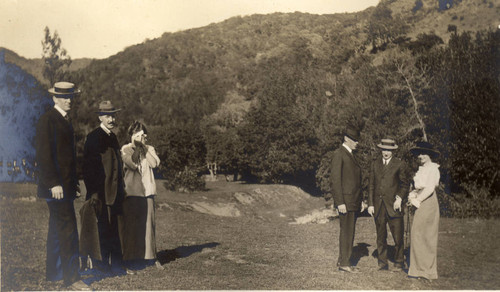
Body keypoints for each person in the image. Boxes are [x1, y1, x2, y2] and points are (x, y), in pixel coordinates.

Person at [35, 81, 89, 290]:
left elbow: (67, 158)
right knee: (67, 229)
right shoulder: (48, 120)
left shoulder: (64, 121)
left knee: (56, 229)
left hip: (64, 186)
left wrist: (72, 183)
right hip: (55, 187)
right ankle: (73, 278)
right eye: (65, 97)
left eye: (71, 97)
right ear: (54, 98)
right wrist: (54, 183)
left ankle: (54, 272)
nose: (69, 101)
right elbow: (44, 155)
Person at [82, 100, 129, 274]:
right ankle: (101, 267)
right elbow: (88, 167)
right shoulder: (94, 137)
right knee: (102, 229)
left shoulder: (113, 137)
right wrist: (94, 192)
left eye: (113, 115)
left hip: (115, 191)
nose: (111, 119)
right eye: (107, 115)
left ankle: (117, 265)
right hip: (101, 192)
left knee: (115, 229)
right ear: (100, 117)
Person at [120, 121, 163, 269]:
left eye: (142, 134)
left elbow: (154, 163)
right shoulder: (126, 148)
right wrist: (137, 147)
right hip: (132, 191)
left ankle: (151, 257)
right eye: (136, 134)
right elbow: (132, 163)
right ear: (131, 135)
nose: (140, 137)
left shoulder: (149, 148)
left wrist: (144, 147)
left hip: (148, 191)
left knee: (149, 225)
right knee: (133, 225)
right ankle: (132, 257)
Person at [368, 138, 408, 272]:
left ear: (393, 151)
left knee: (398, 236)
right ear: (381, 149)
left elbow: (404, 185)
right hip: (379, 206)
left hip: (394, 206)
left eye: (389, 150)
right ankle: (382, 263)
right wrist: (370, 204)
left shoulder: (400, 164)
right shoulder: (374, 164)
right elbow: (371, 185)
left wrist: (399, 198)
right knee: (381, 235)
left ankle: (399, 261)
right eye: (384, 149)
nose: (386, 152)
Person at [330, 125, 365, 273]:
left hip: (353, 201)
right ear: (346, 139)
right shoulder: (340, 154)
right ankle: (344, 263)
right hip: (346, 202)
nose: (357, 143)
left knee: (349, 231)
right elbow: (335, 180)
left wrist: (361, 200)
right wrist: (340, 202)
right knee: (347, 232)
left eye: (357, 140)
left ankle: (343, 260)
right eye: (354, 140)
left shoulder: (350, 154)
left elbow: (356, 181)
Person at [407, 141, 441, 281]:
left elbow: (429, 188)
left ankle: (428, 271)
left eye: (423, 153)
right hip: (420, 200)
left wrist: (418, 200)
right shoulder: (421, 169)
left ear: (429, 155)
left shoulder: (433, 169)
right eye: (418, 154)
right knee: (417, 234)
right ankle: (417, 269)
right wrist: (412, 195)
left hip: (428, 202)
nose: (420, 156)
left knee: (427, 235)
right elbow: (419, 187)